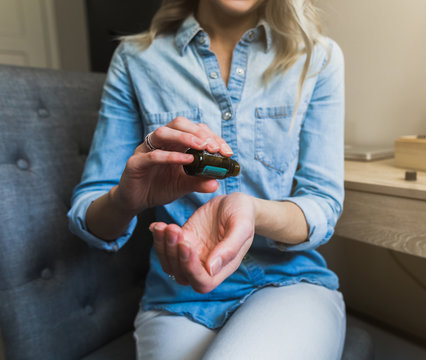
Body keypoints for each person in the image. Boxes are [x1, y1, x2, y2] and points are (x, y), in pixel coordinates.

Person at [68, 0, 345, 359]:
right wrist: (126, 199)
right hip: (177, 298)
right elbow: (87, 214)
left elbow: (322, 203)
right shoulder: (137, 59)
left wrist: (249, 211)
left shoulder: (317, 58)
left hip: (287, 283)